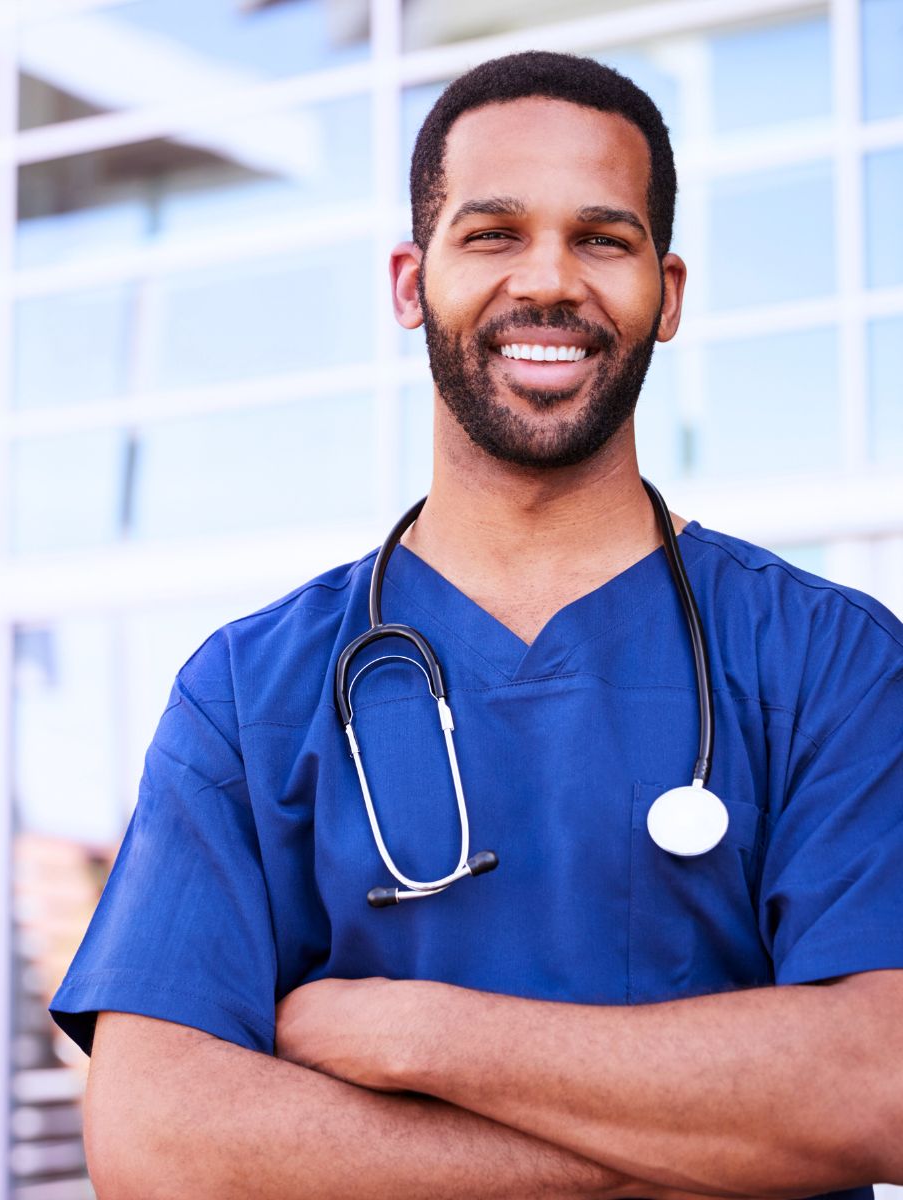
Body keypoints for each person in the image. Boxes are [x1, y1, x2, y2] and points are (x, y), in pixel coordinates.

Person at [51, 51, 903, 1200]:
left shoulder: (832, 663)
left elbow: (874, 1086)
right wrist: (700, 1148)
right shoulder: (249, 692)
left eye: (603, 238)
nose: (549, 280)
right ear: (411, 283)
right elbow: (162, 1149)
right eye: (493, 233)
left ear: (672, 292)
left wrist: (418, 1035)